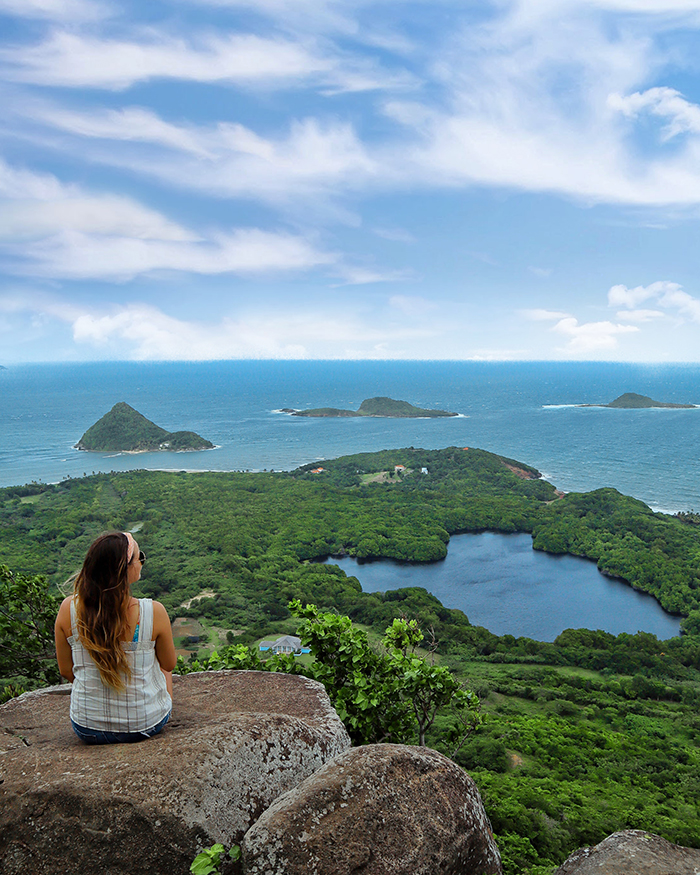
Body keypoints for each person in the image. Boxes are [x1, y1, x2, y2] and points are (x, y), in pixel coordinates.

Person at [54, 531, 176, 744]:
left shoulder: (68, 609)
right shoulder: (153, 612)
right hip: (145, 724)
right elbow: (169, 664)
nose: (142, 561)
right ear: (125, 569)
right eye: (140, 557)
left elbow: (66, 670)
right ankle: (148, 705)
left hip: (87, 727)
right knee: (162, 665)